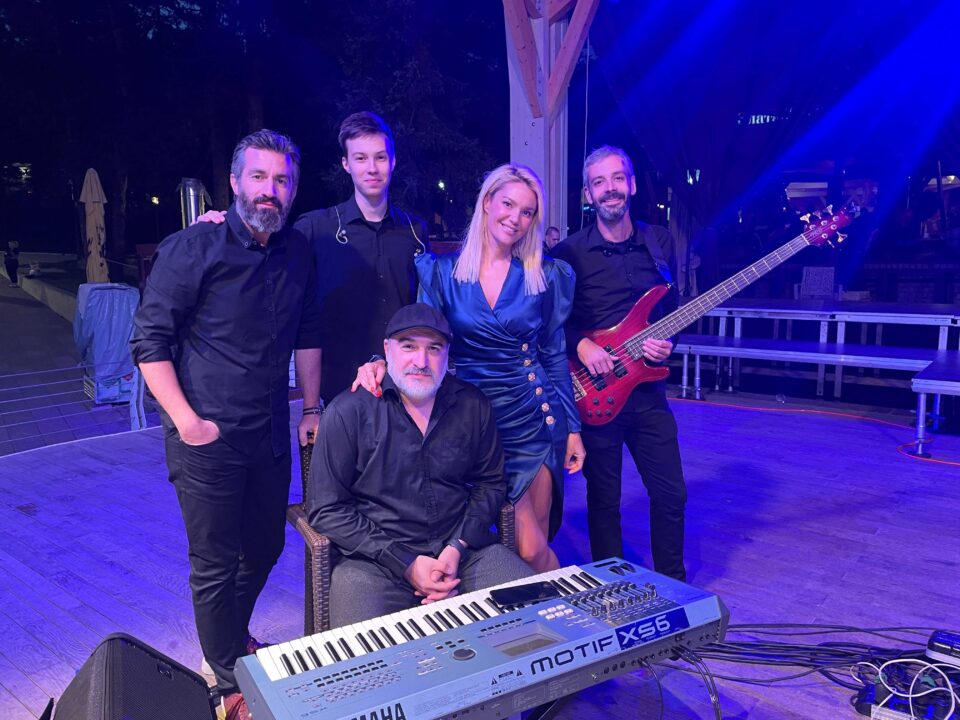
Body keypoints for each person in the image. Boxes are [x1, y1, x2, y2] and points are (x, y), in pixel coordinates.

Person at [130, 129, 322, 720]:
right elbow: (148, 341)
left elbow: (308, 334)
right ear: (235, 182)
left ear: (293, 189)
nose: (270, 189)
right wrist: (186, 422)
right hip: (206, 438)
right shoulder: (194, 247)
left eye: (282, 180)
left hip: (268, 431)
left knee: (264, 546)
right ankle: (225, 681)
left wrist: (311, 407)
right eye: (258, 176)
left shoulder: (298, 251)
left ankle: (228, 640)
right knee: (214, 563)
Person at [354, 165, 585, 573]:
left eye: (527, 212)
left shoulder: (545, 275)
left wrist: (573, 429)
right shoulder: (441, 272)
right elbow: (421, 342)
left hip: (531, 422)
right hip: (467, 421)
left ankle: (563, 609)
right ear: (487, 202)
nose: (515, 218)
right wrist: (379, 364)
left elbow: (552, 355)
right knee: (484, 544)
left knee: (533, 549)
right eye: (508, 204)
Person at [310, 303, 533, 626]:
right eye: (408, 346)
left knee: (540, 618)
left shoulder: (472, 404)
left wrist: (456, 547)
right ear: (386, 349)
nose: (421, 361)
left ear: (447, 354)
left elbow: (491, 483)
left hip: (465, 556)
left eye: (434, 348)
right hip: (374, 563)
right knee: (360, 654)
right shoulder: (349, 411)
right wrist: (406, 562)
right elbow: (326, 508)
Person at [194, 112, 427, 410]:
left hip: (400, 389)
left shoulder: (415, 230)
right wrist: (224, 228)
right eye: (360, 158)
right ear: (346, 164)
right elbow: (261, 249)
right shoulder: (317, 228)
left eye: (380, 157)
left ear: (393, 161)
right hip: (338, 394)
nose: (371, 168)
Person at [552, 145, 687, 581]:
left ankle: (675, 584)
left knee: (671, 495)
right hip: (596, 394)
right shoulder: (568, 254)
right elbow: (550, 323)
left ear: (631, 184)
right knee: (604, 500)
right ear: (587, 195)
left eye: (616, 178)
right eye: (599, 182)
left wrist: (668, 341)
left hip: (648, 393)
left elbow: (673, 309)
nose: (609, 189)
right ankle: (610, 588)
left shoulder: (659, 241)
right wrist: (580, 345)